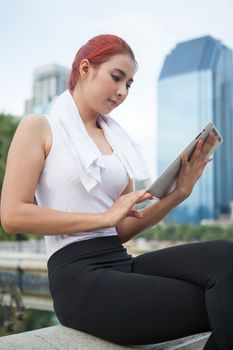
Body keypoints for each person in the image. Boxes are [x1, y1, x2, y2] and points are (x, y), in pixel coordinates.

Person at [1, 34, 233, 350]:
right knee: (220, 298)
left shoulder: (118, 142)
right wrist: (101, 218)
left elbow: (121, 228)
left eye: (129, 84)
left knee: (227, 257)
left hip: (120, 262)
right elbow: (12, 215)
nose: (123, 91)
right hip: (78, 280)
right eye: (116, 77)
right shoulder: (39, 127)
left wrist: (179, 193)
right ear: (85, 69)